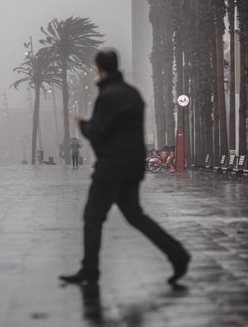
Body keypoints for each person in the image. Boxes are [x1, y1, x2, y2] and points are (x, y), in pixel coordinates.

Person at [60, 49, 190, 286]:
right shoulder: (132, 94)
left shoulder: (107, 96)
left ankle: (90, 270)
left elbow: (98, 133)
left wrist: (84, 125)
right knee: (135, 215)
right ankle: (177, 254)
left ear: (99, 69)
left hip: (111, 167)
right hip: (132, 167)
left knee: (93, 216)